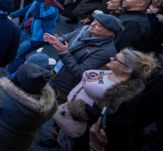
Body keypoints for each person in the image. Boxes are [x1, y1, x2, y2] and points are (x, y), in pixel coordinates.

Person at [36, 14, 123, 148]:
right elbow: (69, 37)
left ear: (109, 32)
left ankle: (53, 137)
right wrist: (56, 40)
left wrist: (64, 53)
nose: (92, 24)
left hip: (68, 86)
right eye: (94, 21)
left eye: (98, 25)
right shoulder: (86, 29)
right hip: (58, 74)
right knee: (46, 100)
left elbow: (80, 72)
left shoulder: (105, 51)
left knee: (60, 111)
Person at [47, 48, 155, 151]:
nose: (111, 59)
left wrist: (85, 109)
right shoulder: (110, 71)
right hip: (71, 114)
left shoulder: (126, 95)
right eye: (114, 56)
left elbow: (120, 121)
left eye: (116, 59)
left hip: (84, 128)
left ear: (127, 69)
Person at [0, 63, 57, 151]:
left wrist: (2, 87)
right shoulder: (51, 103)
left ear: (18, 79)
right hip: (16, 142)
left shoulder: (4, 94)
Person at [7, 0, 62, 73]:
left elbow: (38, 14)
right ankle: (21, 71)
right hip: (25, 32)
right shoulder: (38, 1)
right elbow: (26, 10)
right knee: (18, 53)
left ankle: (12, 77)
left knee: (17, 55)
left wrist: (40, 0)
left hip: (36, 38)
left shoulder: (53, 10)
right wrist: (11, 15)